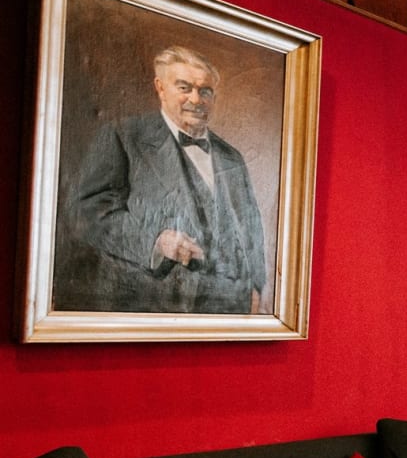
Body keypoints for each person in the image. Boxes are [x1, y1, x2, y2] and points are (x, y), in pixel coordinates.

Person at [66, 45, 267, 314]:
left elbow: (252, 230)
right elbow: (86, 212)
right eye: (184, 88)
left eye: (205, 91)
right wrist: (156, 242)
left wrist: (256, 288)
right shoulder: (123, 137)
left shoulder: (232, 157)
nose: (196, 99)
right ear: (160, 88)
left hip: (230, 310)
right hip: (155, 308)